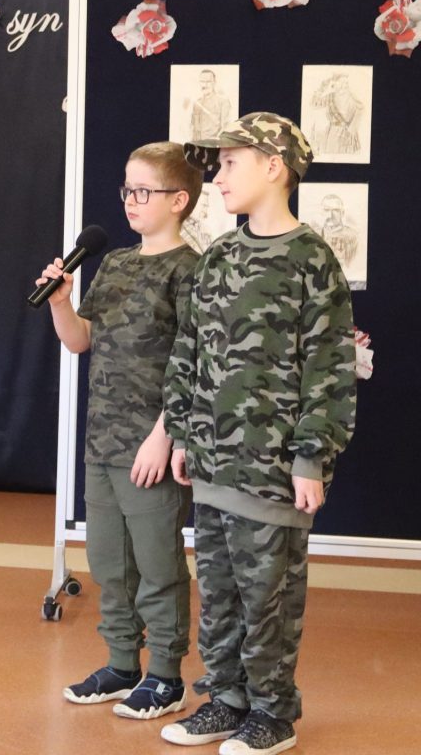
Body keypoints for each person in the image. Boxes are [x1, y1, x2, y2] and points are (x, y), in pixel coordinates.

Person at [161, 113, 356, 755]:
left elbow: (329, 367)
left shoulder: (311, 260)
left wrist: (311, 457)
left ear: (274, 167)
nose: (217, 177)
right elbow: (189, 351)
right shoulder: (219, 255)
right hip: (213, 463)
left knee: (268, 597)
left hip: (273, 471)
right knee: (217, 593)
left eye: (229, 163)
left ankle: (272, 713)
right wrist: (183, 434)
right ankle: (227, 700)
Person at [35, 142, 201, 721]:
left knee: (158, 564)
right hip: (102, 440)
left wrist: (164, 435)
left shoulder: (190, 270)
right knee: (109, 562)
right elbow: (81, 340)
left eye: (143, 191)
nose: (130, 200)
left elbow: (194, 362)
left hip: (152, 443)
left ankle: (166, 677)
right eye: (127, 189)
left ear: (179, 200)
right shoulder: (115, 263)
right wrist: (61, 303)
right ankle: (123, 664)